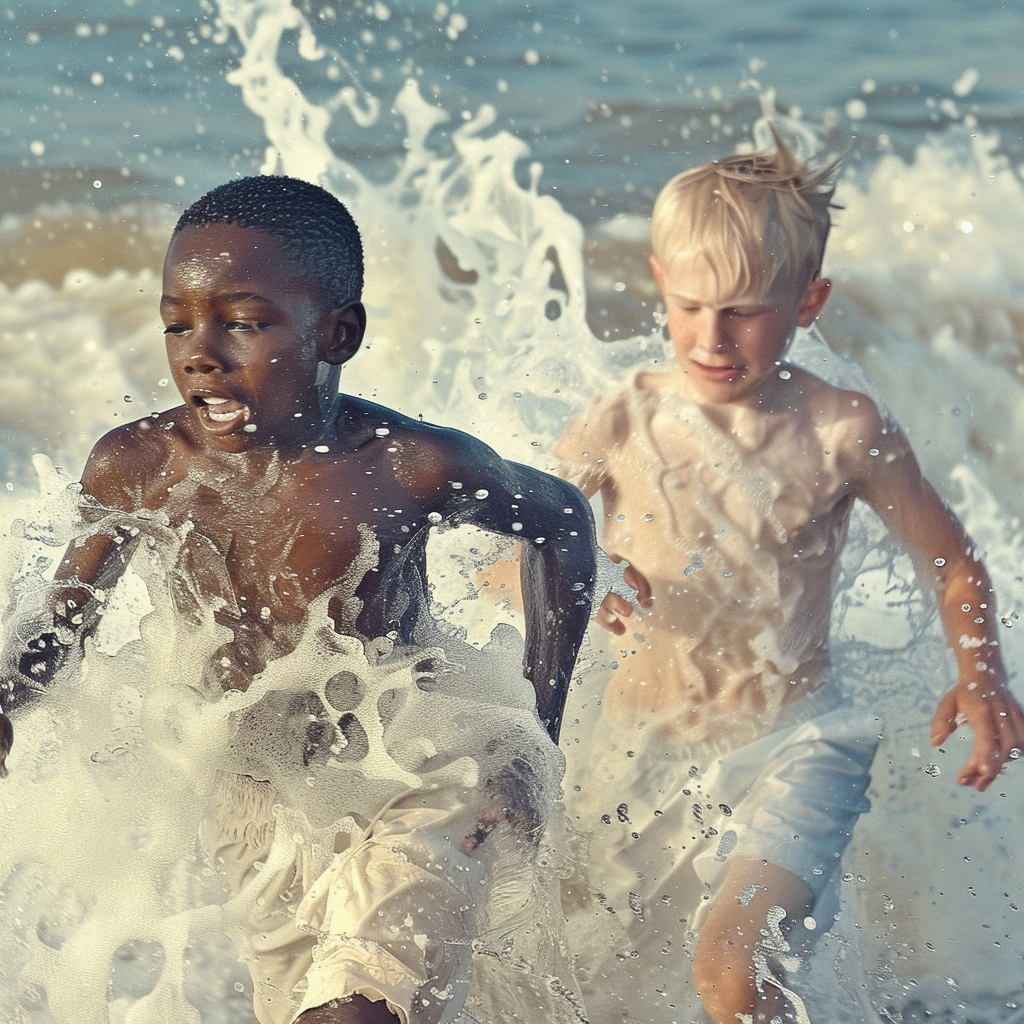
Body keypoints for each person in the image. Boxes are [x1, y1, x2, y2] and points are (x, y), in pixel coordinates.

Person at [0, 175, 596, 1024]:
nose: (199, 351)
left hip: (422, 765)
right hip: (257, 802)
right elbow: (64, 621)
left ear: (337, 334)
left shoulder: (402, 468)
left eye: (243, 323)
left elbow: (562, 521)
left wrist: (538, 733)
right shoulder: (141, 467)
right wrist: (6, 700)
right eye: (177, 323)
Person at [553, 134, 1024, 1023]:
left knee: (733, 971)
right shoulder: (622, 419)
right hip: (637, 755)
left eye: (743, 312)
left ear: (808, 303)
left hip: (796, 744)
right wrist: (582, 578)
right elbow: (516, 554)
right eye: (689, 306)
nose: (711, 337)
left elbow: (953, 562)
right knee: (597, 988)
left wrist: (981, 673)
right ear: (658, 280)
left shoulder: (841, 429)